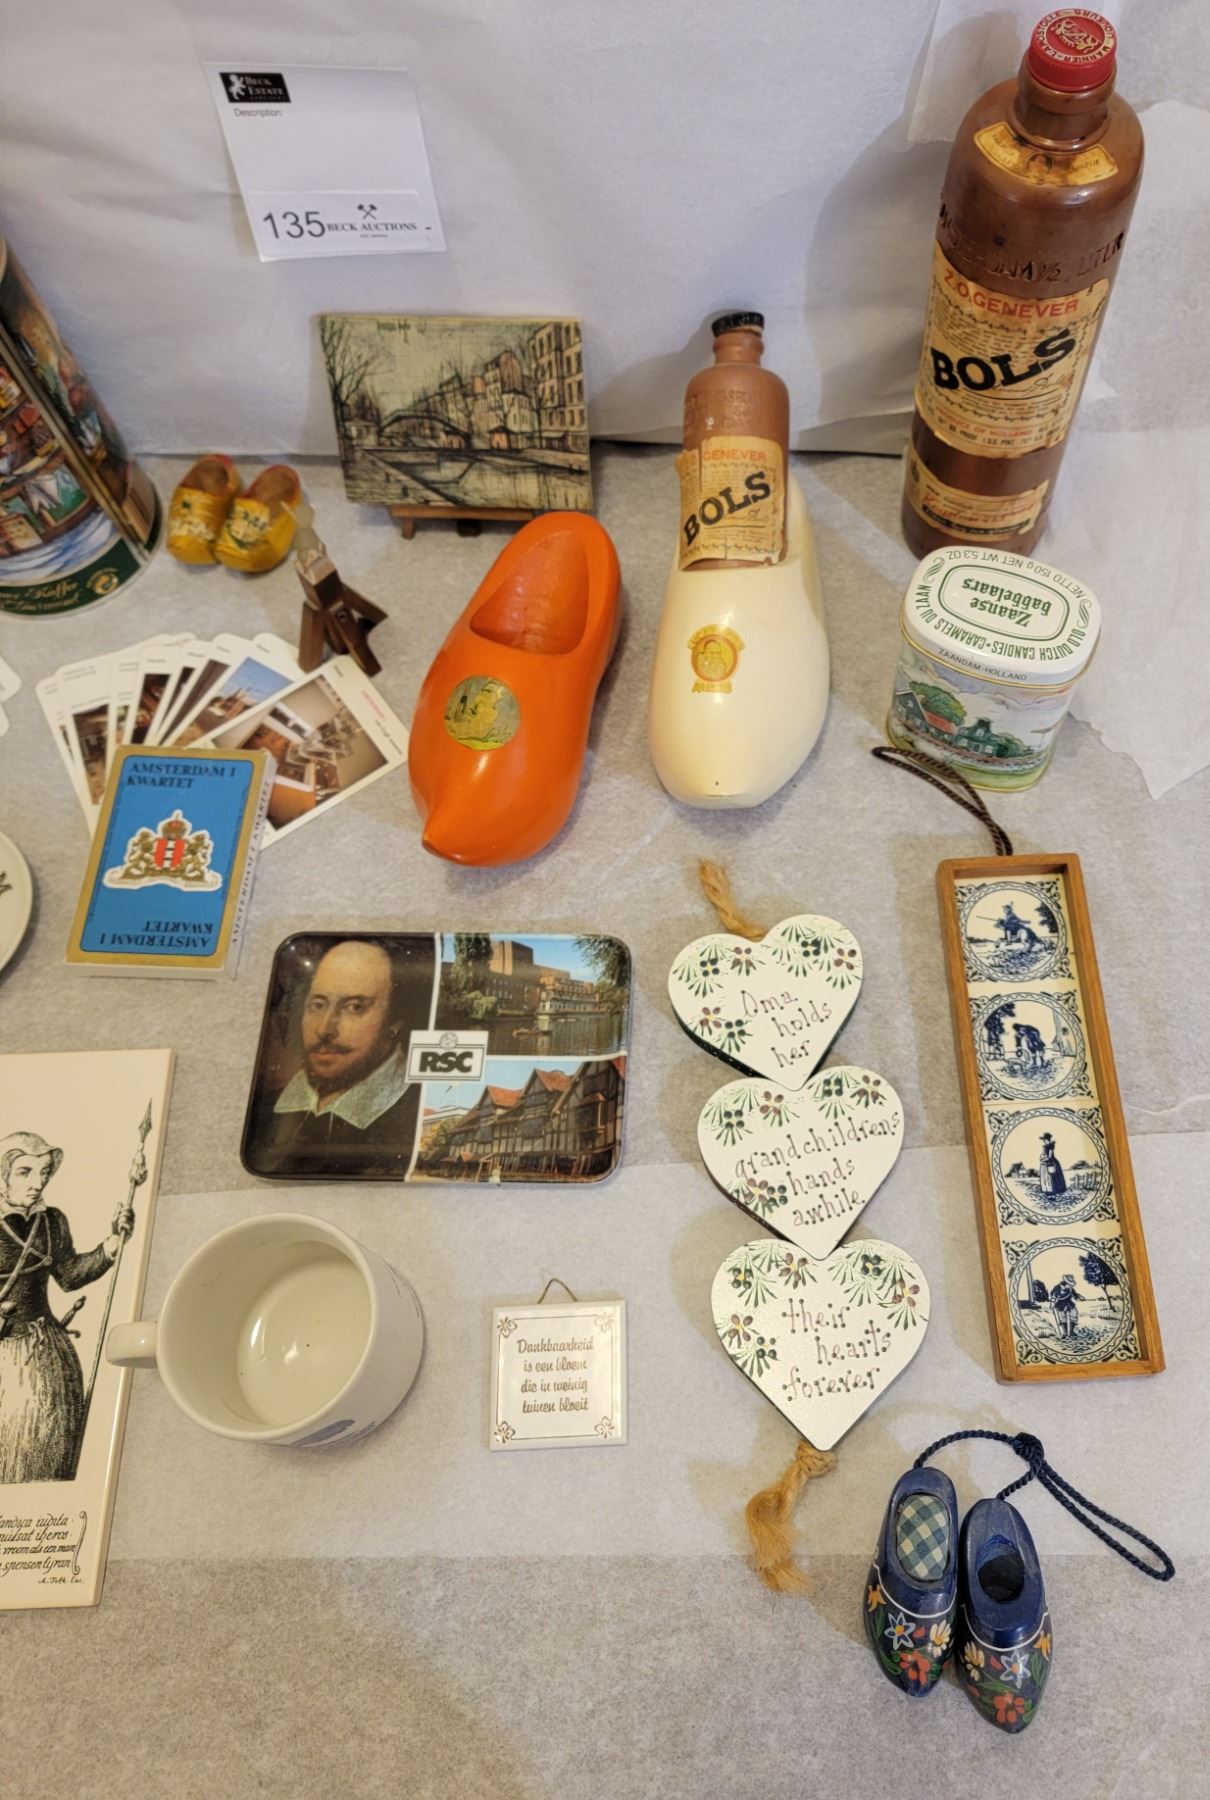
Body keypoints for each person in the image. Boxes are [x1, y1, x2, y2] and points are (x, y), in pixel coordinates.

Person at [0, 1132, 142, 1483]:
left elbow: (68, 1276)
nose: (37, 1182)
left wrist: (111, 1245)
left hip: (46, 1353)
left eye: (44, 1172)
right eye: (25, 1172)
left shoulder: (51, 1221)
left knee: (48, 1444)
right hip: (4, 1354)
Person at [259, 937, 433, 1176]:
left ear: (395, 1021)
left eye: (355, 1007)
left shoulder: (420, 1112)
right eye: (318, 1004)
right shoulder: (266, 1110)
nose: (325, 1029)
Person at [1049, 1273, 1082, 1340]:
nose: (1071, 1286)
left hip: (1069, 1302)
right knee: (1062, 1317)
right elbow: (1053, 1297)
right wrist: (1052, 1304)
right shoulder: (1057, 1288)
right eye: (1069, 1285)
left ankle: (1071, 1331)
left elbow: (1075, 1296)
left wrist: (1079, 1297)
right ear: (1066, 1283)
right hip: (1060, 1303)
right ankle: (1065, 1333)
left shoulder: (1070, 1289)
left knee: (1074, 1313)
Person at [1037, 1132, 1067, 1197]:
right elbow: (1043, 1154)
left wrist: (1045, 1159)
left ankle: (1055, 1190)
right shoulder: (1044, 1146)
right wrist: (1041, 1157)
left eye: (1044, 1139)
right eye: (1043, 1139)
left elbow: (1050, 1156)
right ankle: (1047, 1189)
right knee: (1046, 1175)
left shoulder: (1051, 1145)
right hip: (1046, 1161)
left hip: (1051, 1161)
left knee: (1053, 1175)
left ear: (1047, 1139)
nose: (1043, 1141)